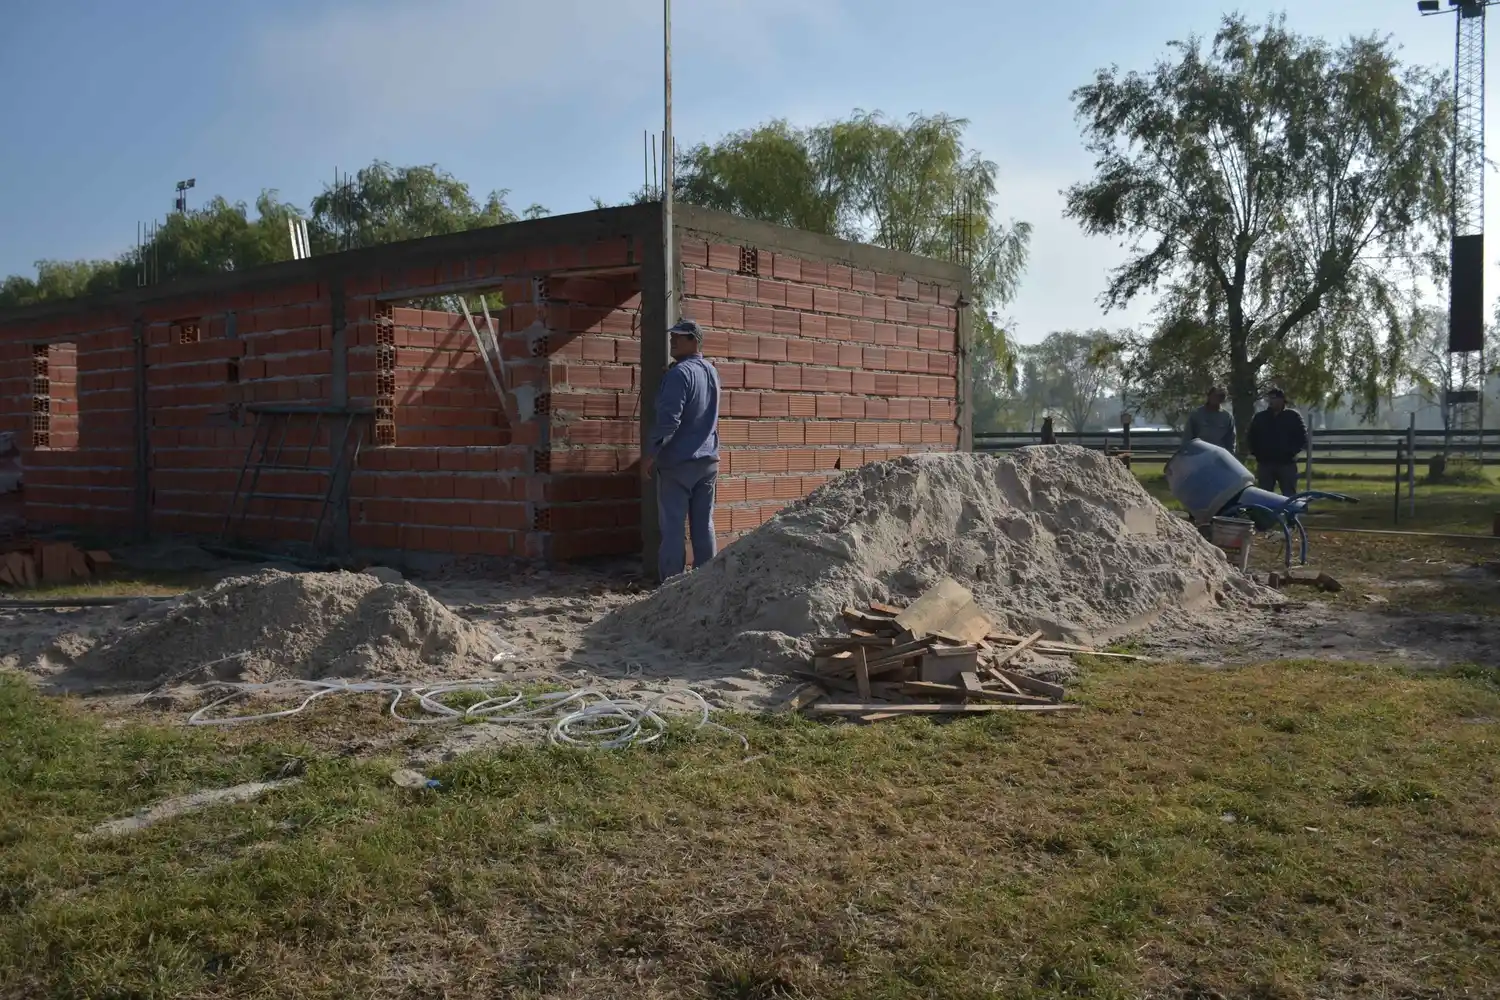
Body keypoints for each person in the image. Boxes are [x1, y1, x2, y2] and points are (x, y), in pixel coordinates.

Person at [642, 318, 721, 582]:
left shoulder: (678, 374)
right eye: (672, 336)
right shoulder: (710, 371)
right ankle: (706, 583)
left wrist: (651, 453)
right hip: (707, 460)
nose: (673, 340)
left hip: (678, 463)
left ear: (694, 341)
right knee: (703, 525)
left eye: (680, 336)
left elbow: (669, 421)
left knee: (674, 528)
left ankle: (671, 588)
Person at [1247, 388, 1307, 497]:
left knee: (1289, 494)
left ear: (1282, 400)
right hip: (1265, 463)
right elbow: (1251, 436)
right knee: (1264, 495)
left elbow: (1302, 437)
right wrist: (1257, 454)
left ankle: (1290, 514)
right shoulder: (1260, 417)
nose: (1271, 401)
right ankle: (1265, 514)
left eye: (1274, 398)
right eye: (1269, 398)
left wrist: (1291, 452)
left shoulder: (1293, 416)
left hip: (1286, 463)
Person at [1183, 386, 1236, 452]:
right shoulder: (1197, 414)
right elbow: (1188, 436)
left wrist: (1231, 455)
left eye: (1220, 396)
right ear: (1209, 396)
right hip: (1199, 453)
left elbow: (1231, 440)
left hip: (1218, 455)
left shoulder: (1227, 417)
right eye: (1215, 395)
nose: (1217, 398)